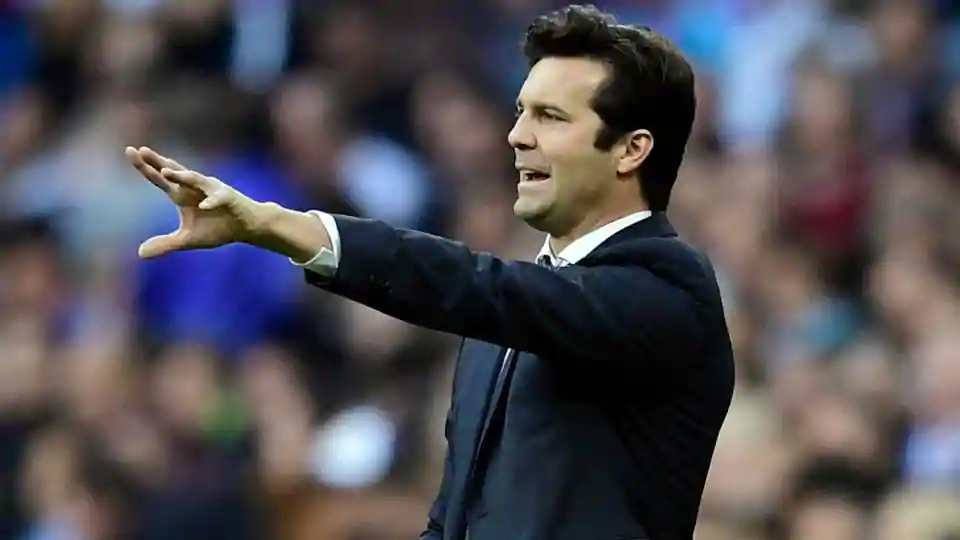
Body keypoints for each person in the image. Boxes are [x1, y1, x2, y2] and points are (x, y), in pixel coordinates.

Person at [125, 5, 735, 540]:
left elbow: (475, 284)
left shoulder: (667, 287)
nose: (517, 136)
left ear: (631, 149)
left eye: (550, 117)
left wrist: (279, 227)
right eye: (520, 112)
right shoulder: (496, 333)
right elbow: (452, 521)